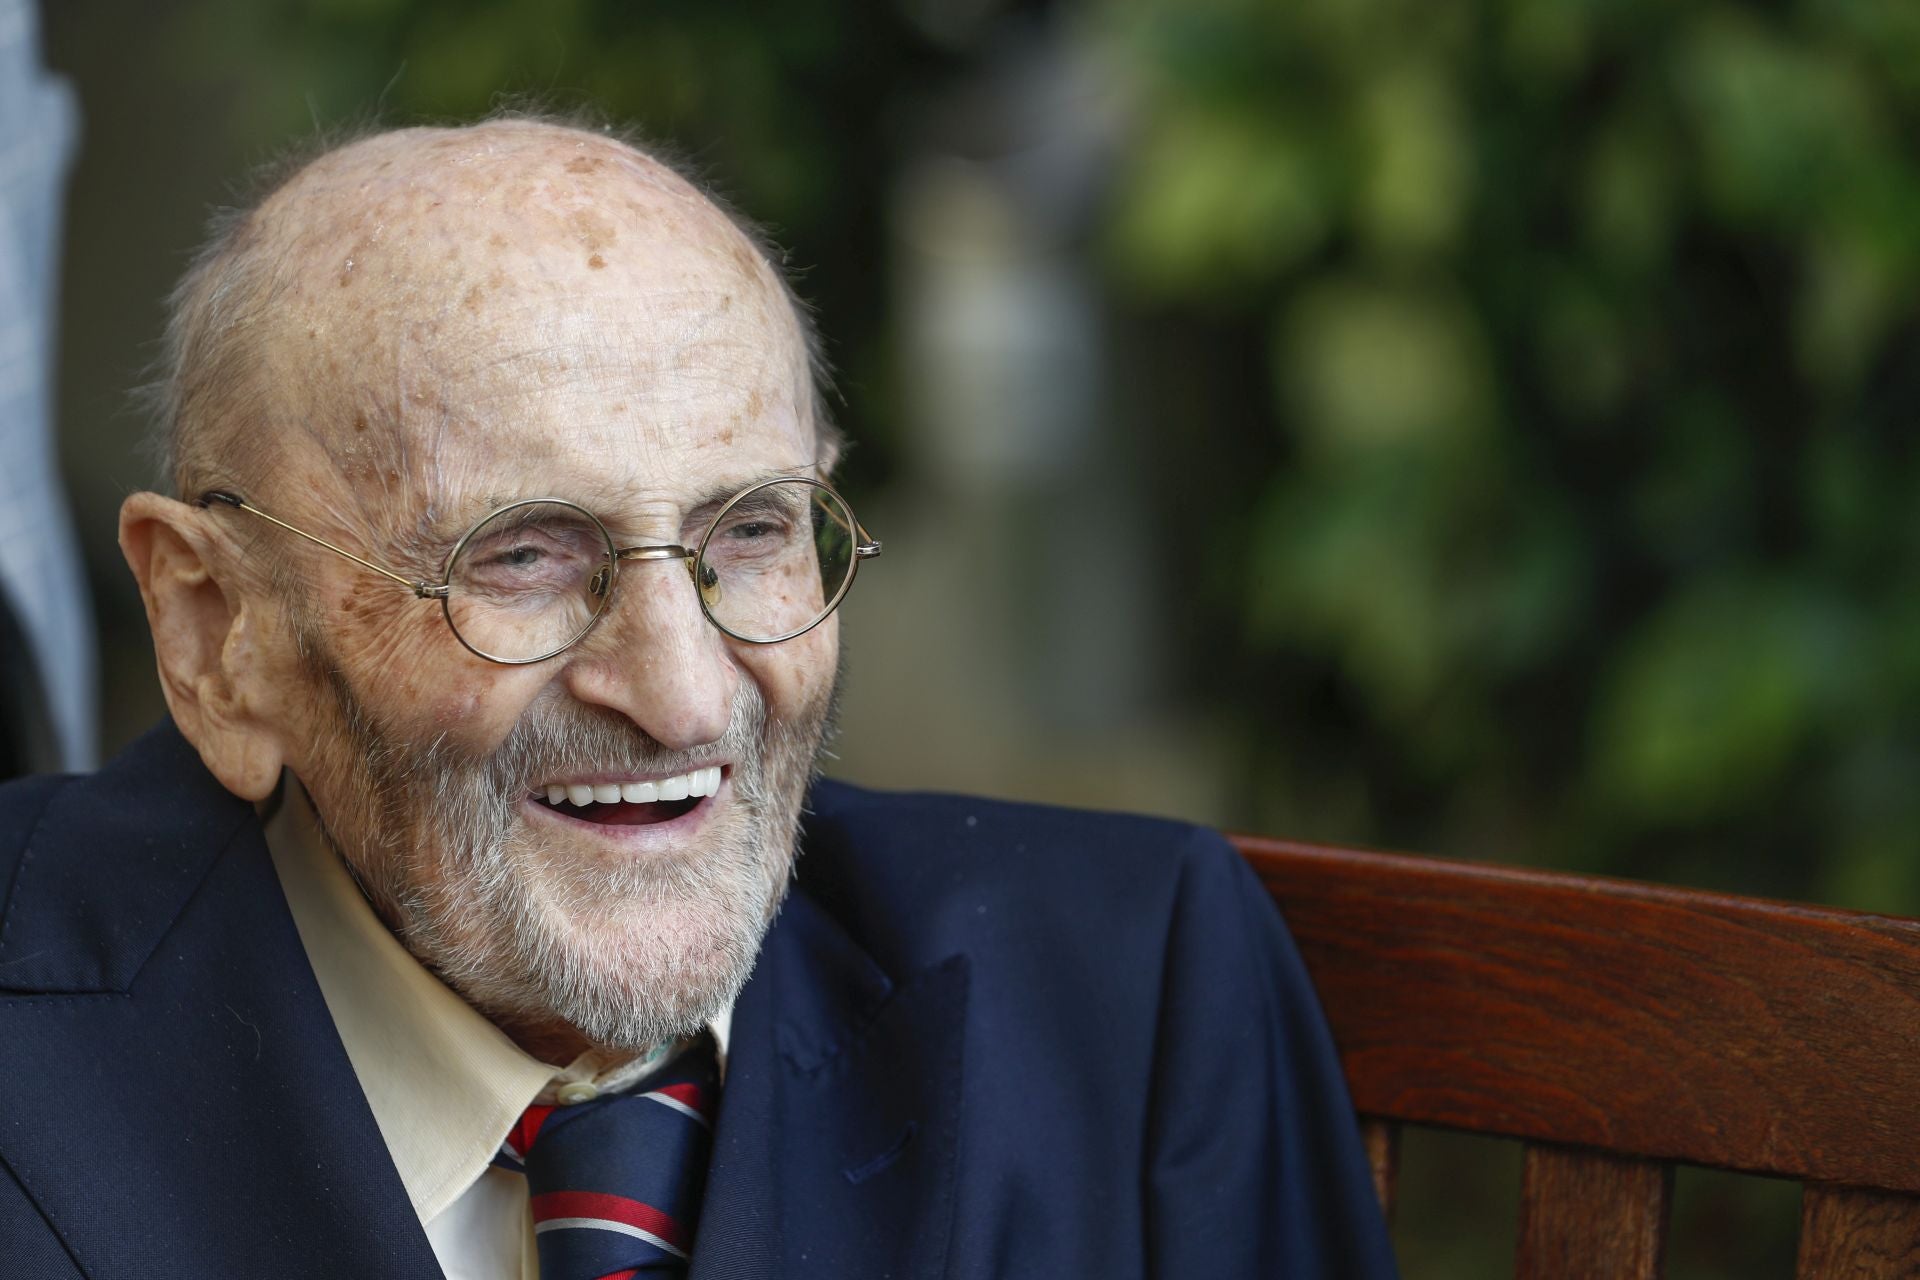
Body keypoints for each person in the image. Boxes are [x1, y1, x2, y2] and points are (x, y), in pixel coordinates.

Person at [0, 117, 1399, 1279]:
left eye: (750, 531)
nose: (680, 696)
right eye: (525, 556)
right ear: (216, 628)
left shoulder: (1133, 991)